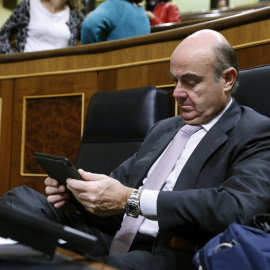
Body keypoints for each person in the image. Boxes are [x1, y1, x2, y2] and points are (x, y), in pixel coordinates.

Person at [2, 29, 270, 270]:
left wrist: (131, 199)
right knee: (20, 201)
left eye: (189, 82)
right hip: (111, 234)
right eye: (175, 80)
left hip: (165, 250)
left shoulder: (254, 131)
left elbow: (237, 208)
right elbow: (115, 189)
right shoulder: (164, 128)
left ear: (227, 79)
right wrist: (77, 192)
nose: (176, 92)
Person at [0, 0, 84, 54]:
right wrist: (12, 59)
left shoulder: (75, 15)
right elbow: (2, 35)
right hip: (26, 69)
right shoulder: (29, 5)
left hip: (60, 72)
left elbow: (87, 35)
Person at [80, 0, 150, 44]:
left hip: (110, 64)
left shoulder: (116, 5)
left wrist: (93, 56)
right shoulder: (142, 13)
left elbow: (89, 26)